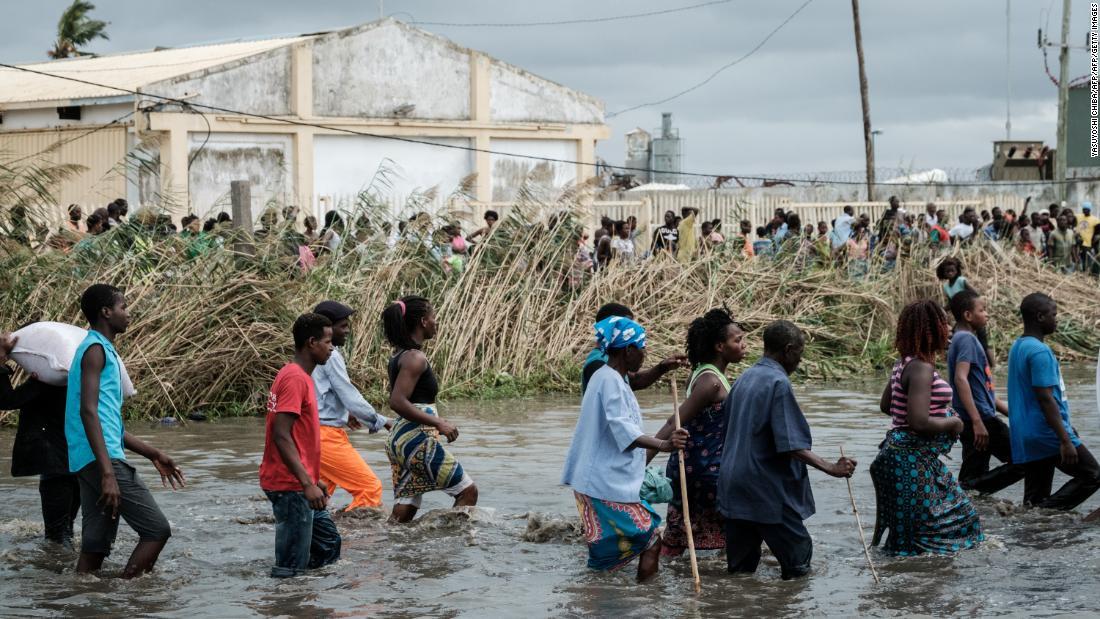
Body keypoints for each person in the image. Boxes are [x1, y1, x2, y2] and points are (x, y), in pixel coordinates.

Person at [717, 321, 856, 579]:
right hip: (764, 488)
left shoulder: (743, 378)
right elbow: (791, 443)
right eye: (800, 355)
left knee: (740, 570)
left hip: (733, 484)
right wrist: (831, 468)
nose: (799, 362)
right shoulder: (778, 382)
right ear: (789, 350)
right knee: (798, 557)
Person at [65, 284, 184, 577]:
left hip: (88, 458)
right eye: (123, 307)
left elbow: (108, 423)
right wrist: (108, 473)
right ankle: (126, 597)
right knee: (157, 530)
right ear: (106, 312)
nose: (128, 314)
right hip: (101, 460)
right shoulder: (94, 350)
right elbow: (88, 412)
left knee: (94, 546)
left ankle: (85, 601)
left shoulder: (100, 349)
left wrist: (152, 452)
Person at [562, 316, 689, 580]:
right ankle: (645, 600)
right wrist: (665, 444)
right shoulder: (608, 380)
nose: (644, 354)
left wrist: (663, 367)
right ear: (628, 350)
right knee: (651, 538)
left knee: (605, 559)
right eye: (641, 348)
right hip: (602, 483)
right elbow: (623, 430)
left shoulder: (613, 377)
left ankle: (595, 599)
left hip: (602, 481)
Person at [870, 300, 983, 556]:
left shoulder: (904, 363)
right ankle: (913, 587)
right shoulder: (921, 368)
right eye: (943, 323)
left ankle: (907, 582)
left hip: (902, 457)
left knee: (910, 533)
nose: (949, 328)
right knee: (958, 520)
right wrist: (953, 422)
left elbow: (888, 406)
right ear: (931, 329)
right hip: (909, 460)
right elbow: (919, 423)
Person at [650, 309, 745, 557]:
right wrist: (644, 456)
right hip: (704, 472)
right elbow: (675, 421)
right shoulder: (710, 382)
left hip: (696, 467)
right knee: (740, 530)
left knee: (679, 536)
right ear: (719, 346)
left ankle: (655, 578)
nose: (743, 345)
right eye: (738, 340)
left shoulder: (703, 372)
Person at [260, 312, 341, 577]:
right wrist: (306, 482)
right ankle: (288, 605)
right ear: (311, 342)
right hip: (290, 486)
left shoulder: (297, 375)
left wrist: (312, 479)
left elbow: (294, 434)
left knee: (328, 544)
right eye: (327, 341)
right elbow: (280, 434)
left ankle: (310, 604)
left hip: (299, 481)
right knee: (290, 569)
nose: (332, 347)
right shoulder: (295, 378)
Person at [382, 296, 478, 523]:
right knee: (468, 492)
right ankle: (448, 550)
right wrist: (438, 422)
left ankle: (391, 547)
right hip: (416, 440)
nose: (437, 322)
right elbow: (397, 401)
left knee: (406, 507)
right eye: (434, 317)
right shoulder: (415, 357)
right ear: (423, 321)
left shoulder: (399, 355)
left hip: (401, 440)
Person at [1007, 293, 1100, 510]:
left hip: (1027, 433)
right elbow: (1045, 398)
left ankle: (1034, 529)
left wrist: (1066, 427)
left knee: (1034, 497)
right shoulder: (1040, 351)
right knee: (1093, 475)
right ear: (1040, 317)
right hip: (1046, 432)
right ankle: (1045, 515)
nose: (1056, 319)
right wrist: (1065, 439)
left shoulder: (1018, 346)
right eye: (1053, 314)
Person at [0, 333, 79, 547]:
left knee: (56, 538)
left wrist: (1, 357)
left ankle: (61, 578)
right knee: (67, 531)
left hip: (55, 467)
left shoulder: (45, 381)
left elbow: (6, 400)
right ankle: (75, 576)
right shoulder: (75, 378)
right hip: (78, 464)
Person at [311, 301, 391, 511]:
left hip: (312, 435)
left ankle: (319, 538)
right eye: (343, 326)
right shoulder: (331, 356)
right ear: (327, 329)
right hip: (326, 437)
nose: (347, 331)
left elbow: (321, 394)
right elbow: (350, 395)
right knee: (370, 489)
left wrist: (345, 415)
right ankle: (351, 542)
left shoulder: (312, 354)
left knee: (317, 500)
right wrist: (381, 421)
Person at [947, 291, 1024, 494]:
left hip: (975, 417)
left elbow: (984, 392)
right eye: (982, 310)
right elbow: (960, 379)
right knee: (1023, 459)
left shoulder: (961, 338)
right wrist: (977, 421)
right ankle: (963, 490)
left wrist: (1015, 415)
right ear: (968, 315)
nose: (987, 314)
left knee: (975, 471)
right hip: (980, 419)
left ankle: (967, 501)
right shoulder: (966, 340)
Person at [580, 303, 687, 394]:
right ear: (613, 326)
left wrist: (663, 367)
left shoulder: (612, 361)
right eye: (628, 325)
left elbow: (633, 381)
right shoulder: (597, 364)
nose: (631, 329)